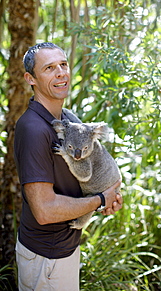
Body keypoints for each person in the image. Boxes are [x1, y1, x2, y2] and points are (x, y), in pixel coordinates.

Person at [14, 42, 123, 291]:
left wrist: (112, 195)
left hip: (67, 248)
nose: (61, 72)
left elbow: (95, 164)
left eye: (63, 64)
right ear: (30, 79)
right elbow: (45, 211)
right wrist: (100, 200)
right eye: (50, 68)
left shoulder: (69, 119)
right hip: (46, 257)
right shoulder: (33, 130)